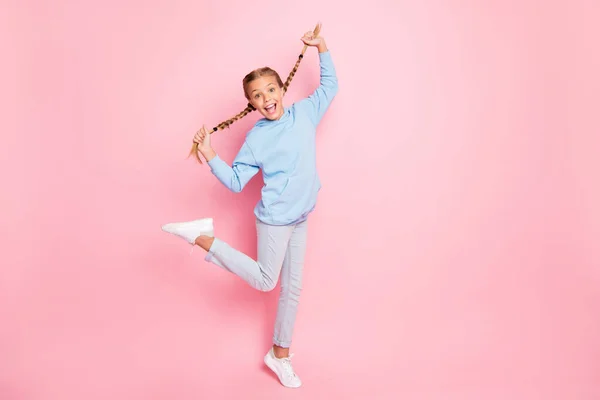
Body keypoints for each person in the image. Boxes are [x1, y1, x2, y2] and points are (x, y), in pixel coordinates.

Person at [161, 29, 338, 388]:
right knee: (265, 280)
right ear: (252, 104)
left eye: (270, 90)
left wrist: (321, 48)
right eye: (257, 96)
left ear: (281, 90)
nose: (266, 98)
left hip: (301, 216)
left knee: (293, 289)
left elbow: (330, 86)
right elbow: (237, 182)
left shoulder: (305, 113)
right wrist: (210, 153)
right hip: (274, 220)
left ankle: (280, 354)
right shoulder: (257, 138)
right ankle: (203, 238)